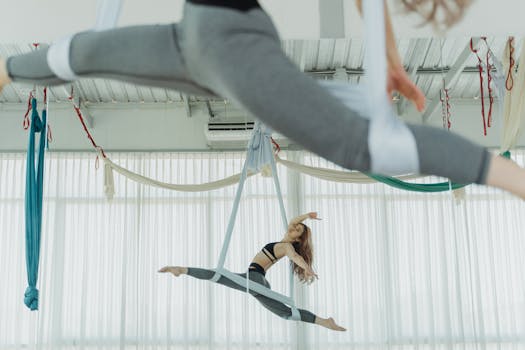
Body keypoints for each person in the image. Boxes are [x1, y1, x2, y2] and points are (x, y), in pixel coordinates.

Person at [1, 0, 524, 198]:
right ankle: (4, 72)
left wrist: (387, 57)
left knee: (368, 147)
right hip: (199, 40)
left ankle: (511, 178)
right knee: (77, 54)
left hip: (224, 45)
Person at [159, 212, 346, 331]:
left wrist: (308, 269)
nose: (293, 227)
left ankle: (181, 269)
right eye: (295, 226)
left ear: (297, 239)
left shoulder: (287, 247)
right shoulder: (284, 241)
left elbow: (296, 258)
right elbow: (293, 219)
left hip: (255, 279)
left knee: (217, 275)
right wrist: (306, 216)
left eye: (297, 230)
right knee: (285, 313)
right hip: (259, 281)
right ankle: (324, 322)